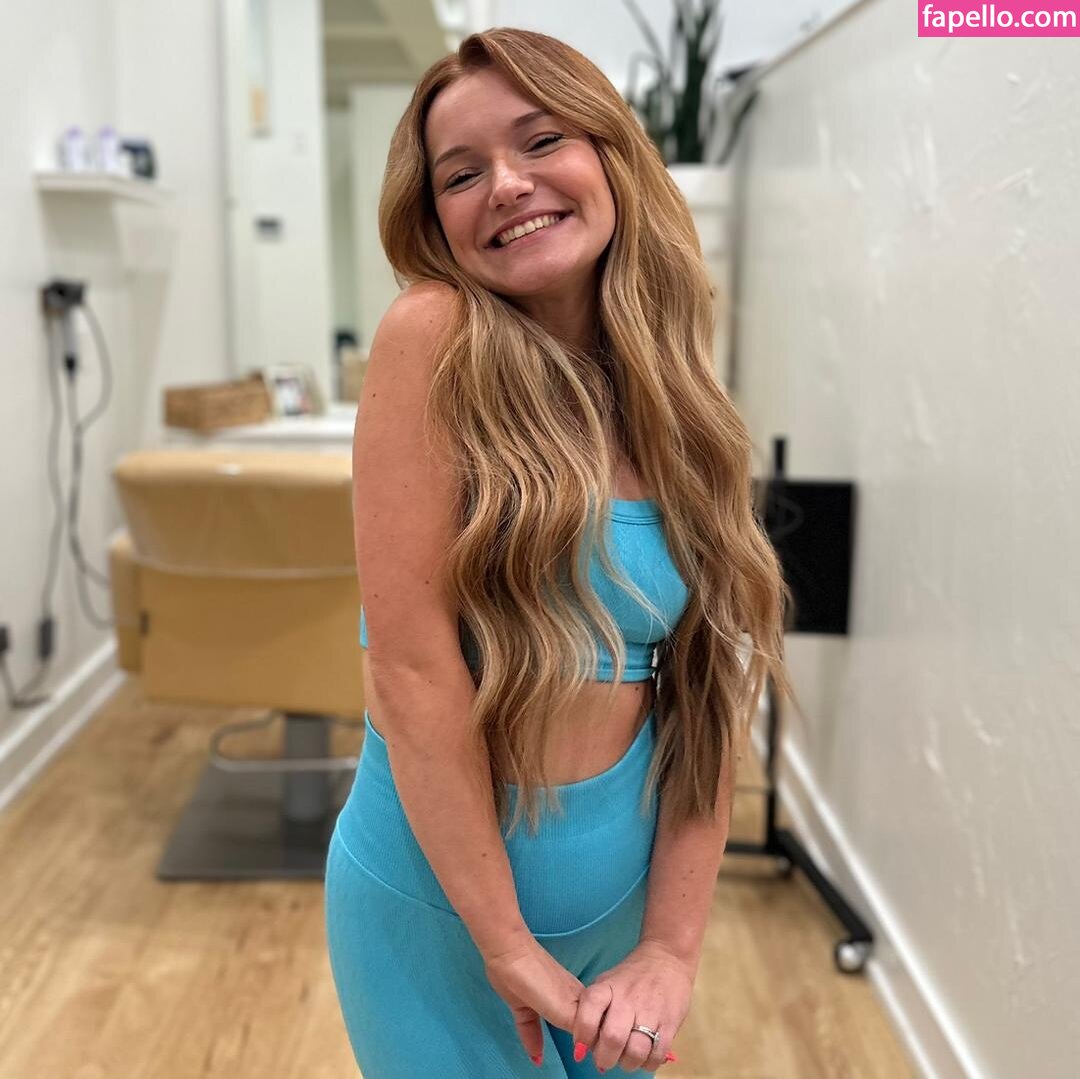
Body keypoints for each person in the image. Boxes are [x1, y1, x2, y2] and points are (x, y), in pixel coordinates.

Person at [324, 27, 793, 1079]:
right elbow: (410, 670)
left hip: (622, 915)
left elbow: (706, 687)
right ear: (435, 215)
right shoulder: (433, 337)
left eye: (541, 141)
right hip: (441, 919)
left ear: (611, 155)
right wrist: (506, 945)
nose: (505, 184)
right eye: (461, 174)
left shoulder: (671, 383)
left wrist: (671, 947)